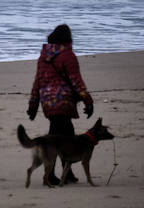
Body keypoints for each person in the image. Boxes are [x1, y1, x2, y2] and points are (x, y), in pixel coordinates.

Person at [26, 23, 94, 185]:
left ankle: (67, 173)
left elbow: (37, 82)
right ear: (68, 38)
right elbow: (76, 81)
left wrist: (33, 105)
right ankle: (50, 176)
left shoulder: (43, 57)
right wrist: (88, 101)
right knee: (60, 138)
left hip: (48, 102)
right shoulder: (68, 56)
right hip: (63, 101)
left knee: (64, 134)